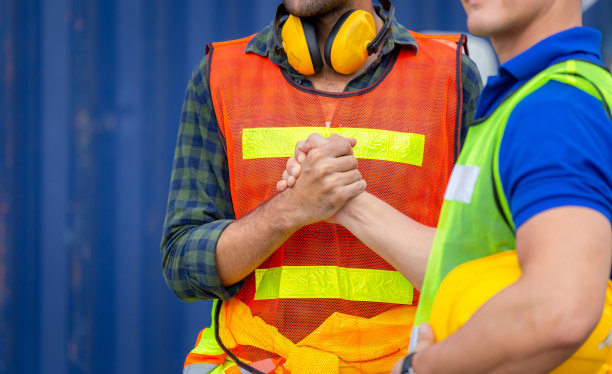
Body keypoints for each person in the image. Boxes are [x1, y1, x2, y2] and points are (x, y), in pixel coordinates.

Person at [279, 0, 612, 372]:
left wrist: (424, 367)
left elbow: (560, 307)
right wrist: (341, 198)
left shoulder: (554, 108)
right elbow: (467, 270)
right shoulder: (530, 99)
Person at [161, 0, 482, 372]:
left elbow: (480, 265)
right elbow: (182, 265)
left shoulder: (452, 77)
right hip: (254, 361)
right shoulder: (219, 76)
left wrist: (340, 200)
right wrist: (291, 208)